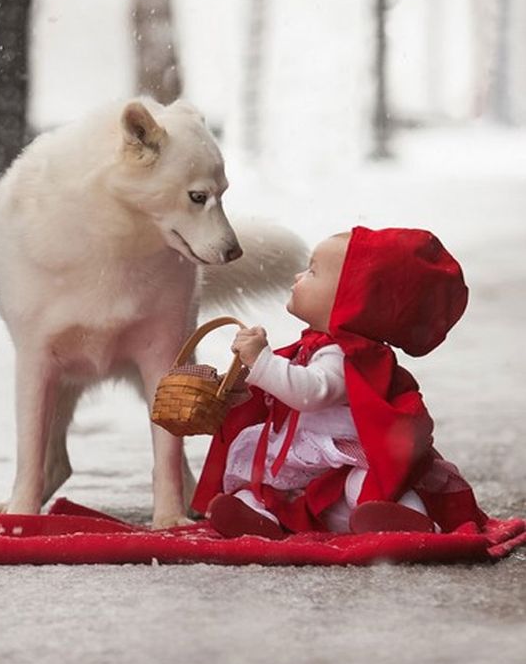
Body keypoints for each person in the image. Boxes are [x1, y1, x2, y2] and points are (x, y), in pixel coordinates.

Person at [192, 226, 487, 539]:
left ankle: (406, 519)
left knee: (365, 485)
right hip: (316, 464)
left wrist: (262, 362)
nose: (298, 276)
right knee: (264, 486)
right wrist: (237, 386)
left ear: (350, 299)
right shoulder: (315, 346)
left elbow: (311, 392)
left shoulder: (347, 356)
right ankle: (256, 513)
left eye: (312, 272)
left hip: (343, 453)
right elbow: (276, 394)